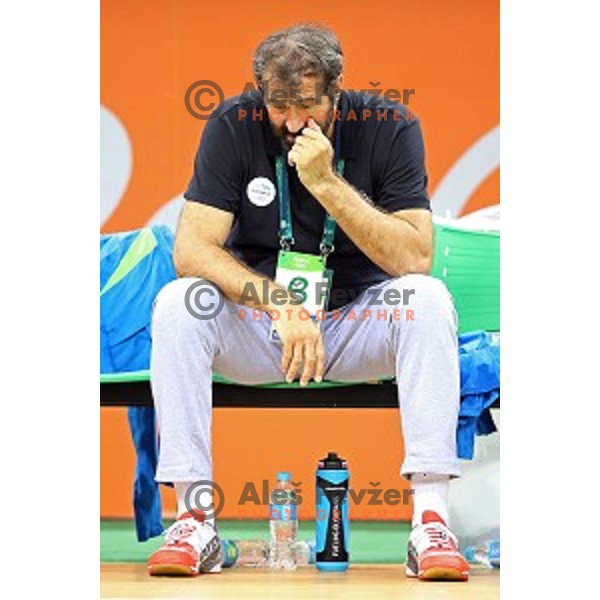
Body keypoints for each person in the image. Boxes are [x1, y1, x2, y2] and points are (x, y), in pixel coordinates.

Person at [147, 23, 469, 581]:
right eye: (279, 105)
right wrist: (277, 301)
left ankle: (430, 521)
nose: (294, 121)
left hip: (355, 322)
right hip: (261, 325)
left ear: (337, 92)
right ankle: (193, 520)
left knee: (427, 299)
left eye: (308, 106)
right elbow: (192, 249)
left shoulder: (391, 127)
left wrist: (326, 184)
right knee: (180, 304)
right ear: (259, 93)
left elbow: (413, 256)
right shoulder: (231, 125)